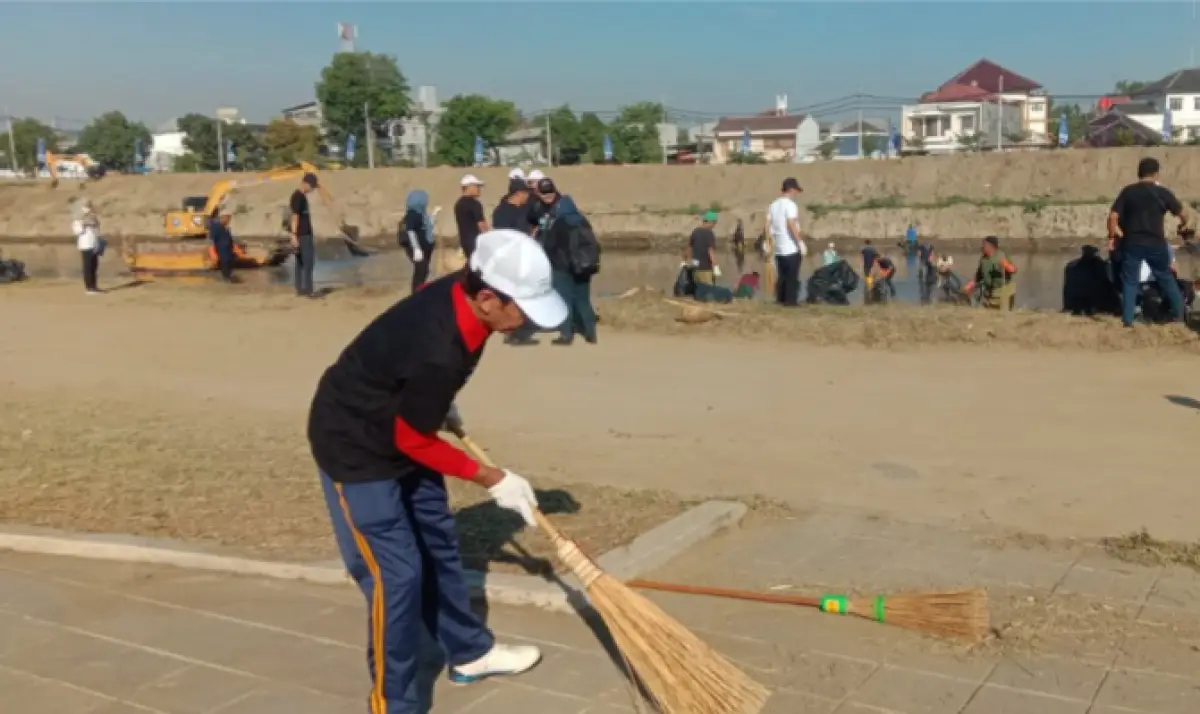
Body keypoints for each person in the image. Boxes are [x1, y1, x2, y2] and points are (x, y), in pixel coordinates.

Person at [307, 229, 568, 714]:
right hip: (356, 445)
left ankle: (470, 653)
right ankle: (394, 702)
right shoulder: (439, 347)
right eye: (522, 309)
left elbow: (412, 397)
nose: (527, 321)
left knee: (439, 544)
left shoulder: (464, 298)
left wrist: (436, 403)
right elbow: (411, 438)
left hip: (404, 423)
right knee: (397, 575)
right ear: (488, 298)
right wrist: (491, 478)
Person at [1108, 156, 1190, 326]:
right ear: (1156, 174)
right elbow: (1183, 215)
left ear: (1139, 172)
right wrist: (1183, 225)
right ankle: (1180, 316)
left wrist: (1114, 235)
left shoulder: (1128, 192)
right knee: (1165, 277)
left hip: (1132, 243)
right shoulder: (1163, 192)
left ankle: (1128, 321)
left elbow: (1113, 217)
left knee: (1130, 281)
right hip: (1156, 243)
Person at [543, 196, 600, 345]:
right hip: (584, 266)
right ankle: (591, 333)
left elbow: (549, 245)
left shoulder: (559, 223)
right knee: (583, 300)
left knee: (563, 301)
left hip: (564, 268)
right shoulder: (583, 220)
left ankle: (566, 335)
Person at [768, 177, 805, 306]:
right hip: (790, 246)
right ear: (791, 189)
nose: (796, 194)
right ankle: (791, 301)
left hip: (779, 247)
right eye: (795, 190)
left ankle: (781, 298)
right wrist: (800, 242)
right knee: (792, 276)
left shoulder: (773, 205)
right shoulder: (790, 205)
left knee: (782, 275)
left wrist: (768, 241)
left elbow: (768, 225)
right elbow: (791, 224)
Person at [963, 236, 1017, 310]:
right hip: (989, 293)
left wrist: (1007, 266)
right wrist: (969, 286)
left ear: (991, 246)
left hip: (1003, 292)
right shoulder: (983, 259)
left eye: (984, 245)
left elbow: (1014, 270)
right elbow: (978, 277)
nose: (982, 247)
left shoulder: (1002, 256)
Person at [289, 173, 319, 298]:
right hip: (302, 234)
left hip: (304, 233)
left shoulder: (301, 196)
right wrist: (294, 235)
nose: (312, 190)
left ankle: (301, 289)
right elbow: (295, 216)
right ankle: (308, 290)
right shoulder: (298, 197)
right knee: (308, 262)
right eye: (312, 187)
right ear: (306, 184)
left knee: (301, 262)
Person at [401, 189, 435, 293]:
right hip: (417, 248)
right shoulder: (412, 215)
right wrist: (416, 248)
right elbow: (410, 231)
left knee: (424, 270)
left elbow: (427, 226)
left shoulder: (421, 214)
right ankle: (416, 293)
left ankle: (419, 290)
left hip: (424, 247)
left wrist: (434, 215)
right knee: (421, 269)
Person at [454, 174, 488, 261]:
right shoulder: (475, 204)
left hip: (465, 243)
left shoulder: (458, 204)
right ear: (469, 187)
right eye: (477, 186)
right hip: (477, 243)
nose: (479, 189)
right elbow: (482, 225)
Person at [72, 199, 102, 295]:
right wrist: (84, 223)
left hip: (94, 245)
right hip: (85, 245)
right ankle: (89, 288)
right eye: (86, 206)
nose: (88, 209)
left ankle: (94, 286)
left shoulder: (93, 217)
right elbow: (77, 231)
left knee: (94, 266)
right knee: (87, 266)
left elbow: (97, 230)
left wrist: (94, 222)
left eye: (89, 206)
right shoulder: (78, 219)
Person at [688, 210, 720, 285]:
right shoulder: (709, 233)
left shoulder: (695, 232)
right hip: (705, 268)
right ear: (710, 222)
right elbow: (710, 250)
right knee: (708, 290)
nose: (714, 225)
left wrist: (686, 261)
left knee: (697, 289)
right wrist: (715, 265)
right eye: (714, 223)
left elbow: (689, 248)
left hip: (695, 267)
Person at [208, 209, 237, 282]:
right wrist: (213, 251)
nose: (229, 220)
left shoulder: (226, 228)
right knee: (225, 262)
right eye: (228, 218)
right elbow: (212, 239)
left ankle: (228, 277)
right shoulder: (217, 226)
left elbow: (229, 239)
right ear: (223, 217)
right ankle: (226, 278)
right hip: (222, 249)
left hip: (228, 249)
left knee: (230, 262)